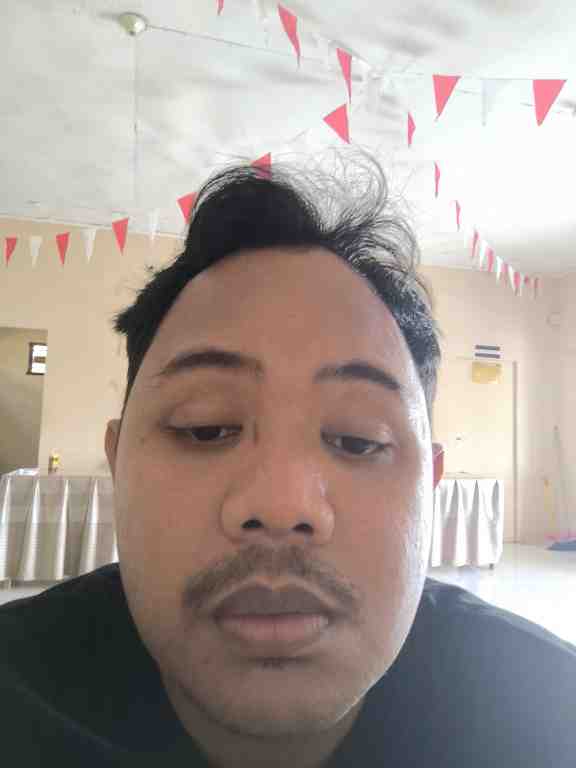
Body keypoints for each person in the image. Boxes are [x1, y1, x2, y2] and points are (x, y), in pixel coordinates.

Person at [1, 153, 574, 767]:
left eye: (358, 440)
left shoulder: (549, 712)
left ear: (430, 487)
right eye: (205, 429)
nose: (281, 506)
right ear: (118, 465)